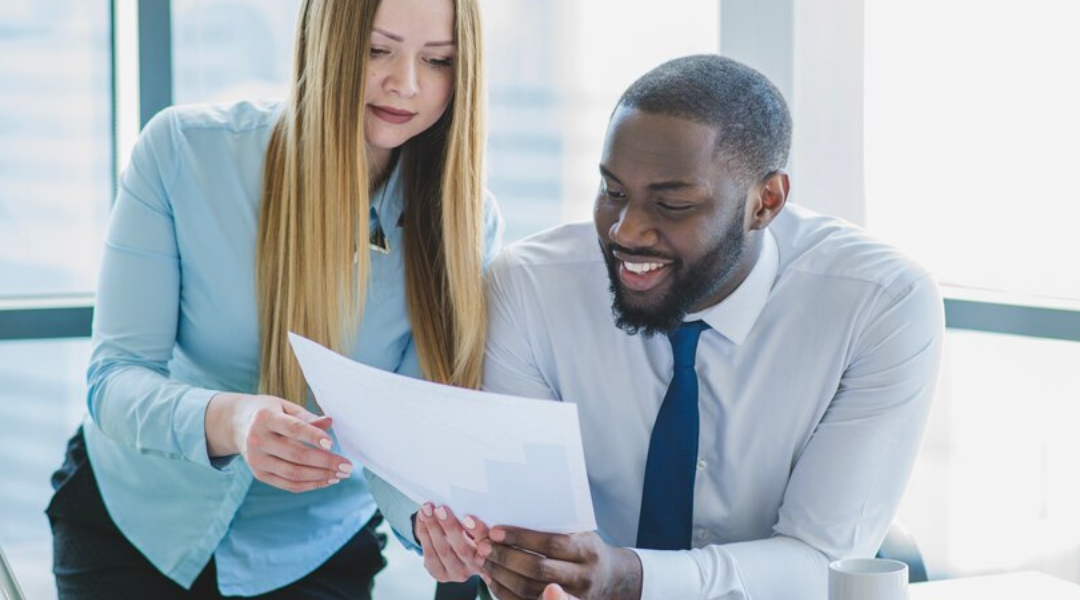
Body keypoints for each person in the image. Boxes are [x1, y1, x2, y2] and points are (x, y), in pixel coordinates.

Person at [408, 54, 943, 600]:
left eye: (673, 203)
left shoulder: (879, 305)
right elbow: (526, 524)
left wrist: (629, 577)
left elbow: (823, 561)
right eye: (613, 192)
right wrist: (486, 548)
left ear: (767, 202)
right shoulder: (530, 288)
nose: (627, 231)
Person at [45, 0, 501, 598]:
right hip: (135, 522)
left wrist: (430, 526)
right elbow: (115, 380)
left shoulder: (466, 224)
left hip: (312, 552)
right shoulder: (184, 153)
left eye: (438, 60)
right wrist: (232, 421)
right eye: (376, 50)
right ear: (327, 41)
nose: (406, 83)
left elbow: (401, 439)